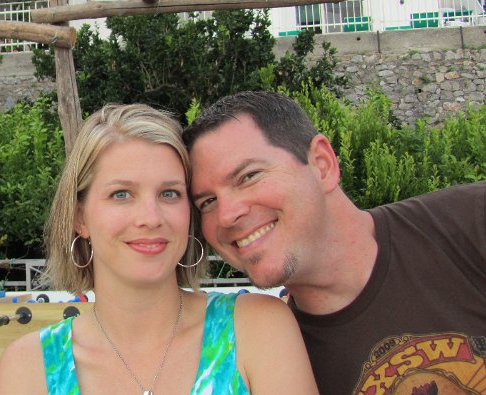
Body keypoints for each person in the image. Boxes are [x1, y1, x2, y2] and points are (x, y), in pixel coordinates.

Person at [0, 103, 318, 395]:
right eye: (122, 194)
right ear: (80, 217)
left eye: (169, 194)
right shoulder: (30, 367)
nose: (151, 218)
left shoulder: (255, 330)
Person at [183, 91, 486, 395]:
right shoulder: (268, 362)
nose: (226, 216)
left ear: (322, 164)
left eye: (249, 176)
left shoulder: (470, 222)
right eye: (207, 201)